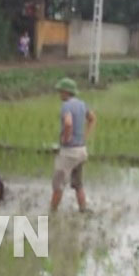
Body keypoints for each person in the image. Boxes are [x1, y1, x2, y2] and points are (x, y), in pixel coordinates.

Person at [50, 78, 96, 213]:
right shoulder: (82, 104)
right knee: (78, 184)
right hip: (81, 150)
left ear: (65, 92)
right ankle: (83, 208)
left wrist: (66, 138)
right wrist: (85, 136)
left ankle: (52, 212)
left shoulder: (66, 106)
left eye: (60, 91)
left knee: (58, 184)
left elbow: (68, 123)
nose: (59, 94)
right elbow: (92, 118)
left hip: (69, 152)